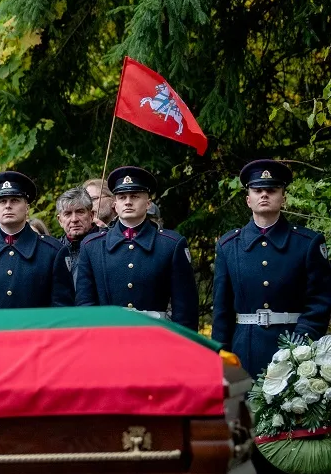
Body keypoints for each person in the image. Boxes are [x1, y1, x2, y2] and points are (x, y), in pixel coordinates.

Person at [212, 160, 331, 378]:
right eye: (257, 191)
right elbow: (222, 310)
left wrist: (300, 344)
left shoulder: (307, 243)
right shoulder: (228, 246)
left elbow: (320, 301)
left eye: (272, 190)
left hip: (295, 352)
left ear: (283, 198)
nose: (264, 195)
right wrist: (220, 356)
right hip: (243, 354)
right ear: (248, 200)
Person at [74, 167, 198, 330]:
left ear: (148, 203)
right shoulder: (92, 246)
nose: (128, 202)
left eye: (134, 196)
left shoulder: (171, 245)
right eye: (122, 197)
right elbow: (85, 304)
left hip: (156, 336)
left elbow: (185, 309)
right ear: (115, 205)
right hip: (108, 337)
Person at [0, 172, 74, 310]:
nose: (8, 206)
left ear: (27, 208)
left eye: (15, 200)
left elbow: (62, 310)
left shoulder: (52, 251)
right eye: (2, 201)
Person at [55, 187, 99, 279]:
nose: (74, 219)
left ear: (91, 216)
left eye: (80, 212)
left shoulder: (106, 244)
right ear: (60, 220)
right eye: (67, 214)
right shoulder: (55, 250)